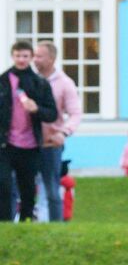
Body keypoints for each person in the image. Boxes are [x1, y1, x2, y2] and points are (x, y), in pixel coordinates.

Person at [0, 41, 59, 222]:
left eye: (25, 56)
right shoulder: (3, 81)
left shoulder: (39, 83)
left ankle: (26, 221)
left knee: (27, 188)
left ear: (31, 58)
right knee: (4, 184)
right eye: (18, 56)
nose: (21, 60)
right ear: (12, 56)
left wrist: (36, 109)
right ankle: (5, 224)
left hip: (30, 144)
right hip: (6, 143)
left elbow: (52, 113)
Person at [33, 40, 82, 223]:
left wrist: (64, 132)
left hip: (50, 144)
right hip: (26, 143)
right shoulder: (30, 79)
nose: (34, 60)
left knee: (51, 189)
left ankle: (55, 228)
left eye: (39, 56)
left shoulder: (64, 83)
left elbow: (75, 113)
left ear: (51, 58)